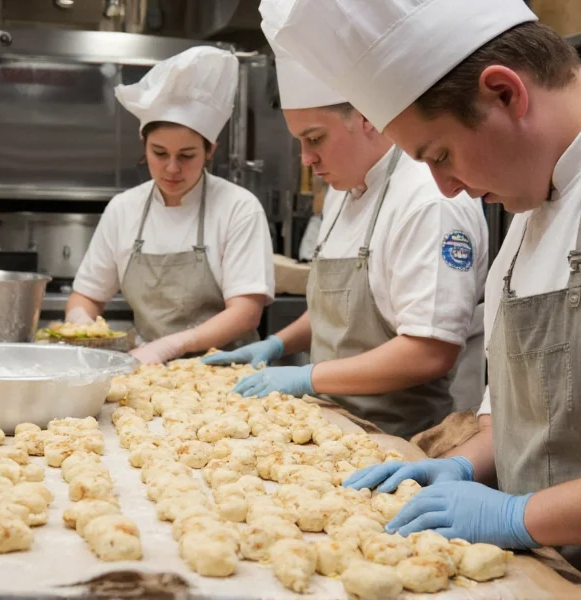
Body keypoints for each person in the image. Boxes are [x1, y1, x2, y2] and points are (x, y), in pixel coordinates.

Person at [263, 0, 581, 597]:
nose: (445, 186)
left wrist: (513, 517)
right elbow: (529, 398)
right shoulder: (536, 184)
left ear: (505, 93)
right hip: (541, 568)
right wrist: (470, 460)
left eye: (439, 155)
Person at [203, 25, 488, 440]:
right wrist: (277, 345)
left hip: (398, 439)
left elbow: (429, 352)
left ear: (367, 118)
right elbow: (336, 315)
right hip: (327, 424)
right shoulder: (342, 191)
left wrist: (308, 377)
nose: (306, 159)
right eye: (299, 141)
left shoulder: (428, 202)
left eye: (315, 138)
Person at [65, 47, 274, 364]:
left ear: (209, 151)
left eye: (187, 155)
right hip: (146, 370)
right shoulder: (124, 209)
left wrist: (172, 345)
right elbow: (87, 295)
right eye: (159, 153)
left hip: (227, 373)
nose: (172, 168)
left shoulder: (239, 208)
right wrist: (80, 322)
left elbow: (245, 314)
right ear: (144, 146)